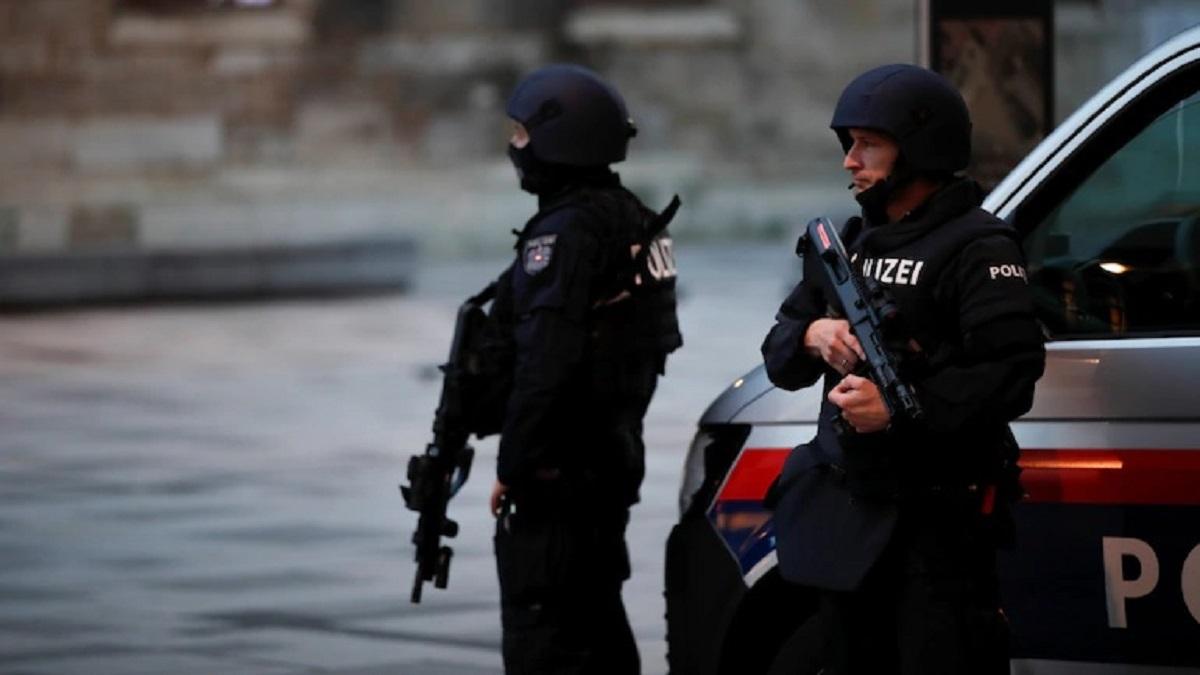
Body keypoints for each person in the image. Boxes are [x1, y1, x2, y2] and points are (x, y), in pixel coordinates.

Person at [761, 64, 1046, 674]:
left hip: (937, 525)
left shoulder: (979, 246)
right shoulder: (852, 243)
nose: (850, 161)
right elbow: (778, 354)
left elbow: (1011, 373)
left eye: (869, 144)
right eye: (850, 143)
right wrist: (815, 334)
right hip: (852, 520)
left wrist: (898, 406)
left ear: (920, 148)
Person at [487, 63, 683, 675]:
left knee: (549, 639)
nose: (515, 147)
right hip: (612, 453)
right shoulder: (632, 216)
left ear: (558, 137)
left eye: (521, 133)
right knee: (597, 623)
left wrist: (514, 466)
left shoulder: (566, 233)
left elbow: (547, 366)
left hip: (560, 469)